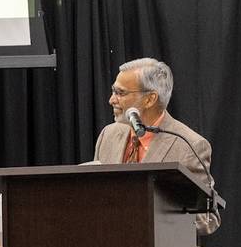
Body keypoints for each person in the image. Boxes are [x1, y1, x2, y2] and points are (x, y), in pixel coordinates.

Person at [94, 57, 220, 235]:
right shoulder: (109, 135)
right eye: (113, 91)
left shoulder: (189, 145)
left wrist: (148, 215)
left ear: (149, 99)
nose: (111, 100)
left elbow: (207, 218)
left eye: (120, 93)